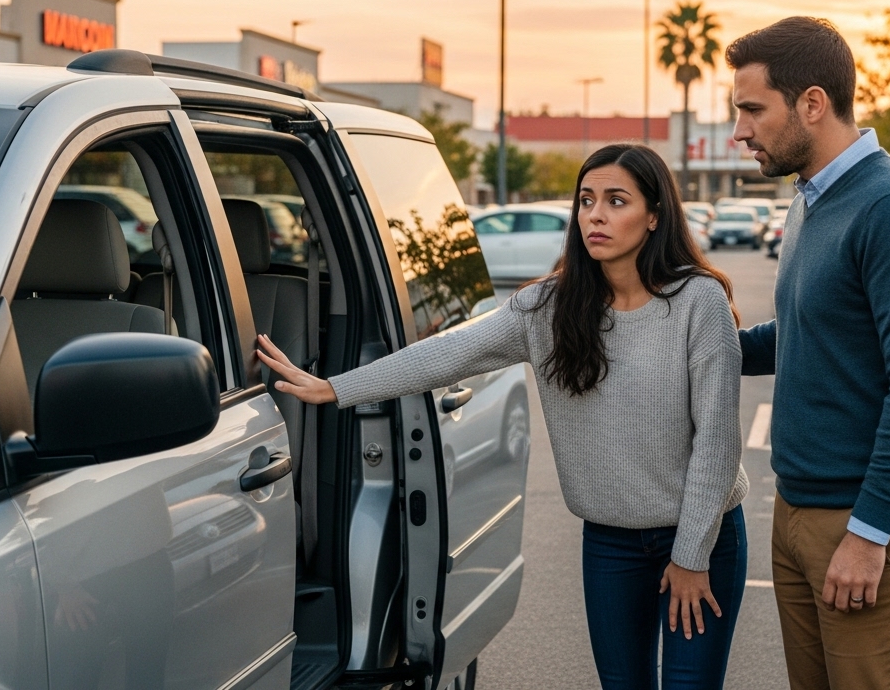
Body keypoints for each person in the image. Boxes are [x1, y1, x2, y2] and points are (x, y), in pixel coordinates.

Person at [257, 143, 749, 690]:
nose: (596, 216)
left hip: (702, 537)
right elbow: (447, 353)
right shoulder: (548, 307)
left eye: (616, 201)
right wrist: (336, 388)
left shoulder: (698, 302)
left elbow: (718, 441)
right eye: (586, 201)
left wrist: (691, 555)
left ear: (654, 215)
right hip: (610, 543)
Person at [729, 17, 890, 690]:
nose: (741, 130)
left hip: (867, 525)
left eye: (752, 110)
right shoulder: (814, 198)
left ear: (812, 104)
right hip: (801, 512)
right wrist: (695, 343)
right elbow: (807, 333)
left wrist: (869, 532)